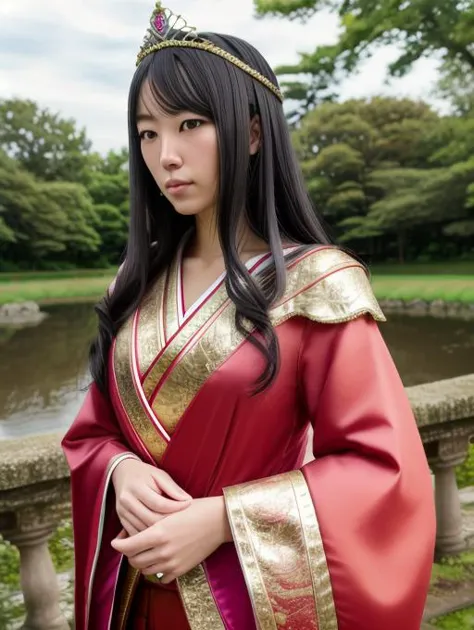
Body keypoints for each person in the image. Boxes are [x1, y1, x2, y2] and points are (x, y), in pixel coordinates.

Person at [62, 2, 436, 629]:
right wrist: (120, 472)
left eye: (189, 124)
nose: (166, 156)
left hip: (243, 593)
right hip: (135, 592)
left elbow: (383, 467)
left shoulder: (316, 285)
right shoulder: (134, 281)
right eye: (148, 132)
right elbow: (90, 434)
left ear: (254, 133)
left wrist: (223, 519)